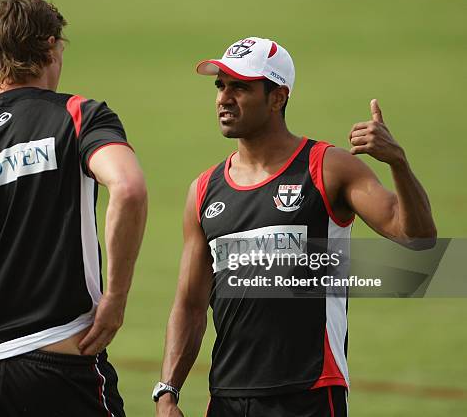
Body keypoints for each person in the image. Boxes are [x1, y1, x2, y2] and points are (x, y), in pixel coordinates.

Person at [154, 37, 436, 417]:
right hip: (228, 398)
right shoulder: (204, 190)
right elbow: (189, 305)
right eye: (220, 85)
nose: (224, 98)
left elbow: (417, 239)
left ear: (278, 97)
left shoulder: (328, 167)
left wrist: (398, 163)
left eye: (240, 86)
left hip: (311, 393)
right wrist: (168, 391)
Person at [0, 0, 147, 417]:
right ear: (50, 47)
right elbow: (128, 188)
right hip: (63, 367)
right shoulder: (77, 115)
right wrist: (115, 298)